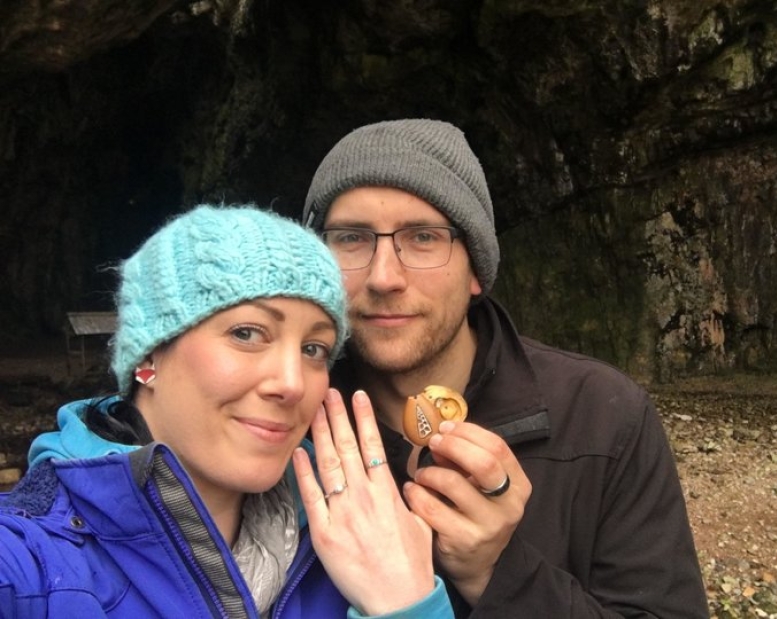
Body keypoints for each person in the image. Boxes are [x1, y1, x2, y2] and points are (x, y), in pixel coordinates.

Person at [302, 119, 710, 617]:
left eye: (424, 237)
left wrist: (497, 572)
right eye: (351, 238)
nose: (385, 276)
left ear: (477, 269)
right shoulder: (280, 415)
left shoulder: (603, 415)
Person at [0, 204, 454, 618]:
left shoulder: (365, 545)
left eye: (314, 348)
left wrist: (409, 605)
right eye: (247, 333)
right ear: (148, 357)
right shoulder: (28, 566)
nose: (292, 383)